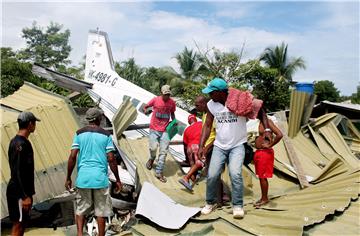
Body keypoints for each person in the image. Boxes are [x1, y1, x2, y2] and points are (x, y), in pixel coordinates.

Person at [198, 77, 271, 219]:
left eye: (212, 92)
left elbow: (261, 108)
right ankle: (210, 203)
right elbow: (207, 125)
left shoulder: (240, 100)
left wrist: (267, 129)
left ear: (220, 92)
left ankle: (237, 206)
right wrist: (202, 144)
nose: (209, 95)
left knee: (235, 174)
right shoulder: (211, 105)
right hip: (219, 145)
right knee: (212, 175)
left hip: (237, 145)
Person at [65, 108, 122, 236]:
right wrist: (117, 179)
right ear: (99, 119)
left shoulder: (79, 134)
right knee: (100, 212)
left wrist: (68, 177)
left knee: (81, 210)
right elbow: (111, 159)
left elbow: (72, 156)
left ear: (88, 119)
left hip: (83, 179)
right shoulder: (106, 135)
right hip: (100, 179)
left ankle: (80, 234)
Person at [6, 111, 40, 236]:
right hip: (19, 193)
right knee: (18, 225)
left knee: (22, 225)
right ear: (30, 124)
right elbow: (17, 171)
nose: (35, 126)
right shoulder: (20, 144)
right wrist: (24, 196)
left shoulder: (20, 142)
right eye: (34, 123)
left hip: (22, 192)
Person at [143, 85, 176, 183]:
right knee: (153, 148)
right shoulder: (155, 100)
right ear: (161, 93)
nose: (167, 96)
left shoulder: (172, 103)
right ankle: (152, 158)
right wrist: (146, 111)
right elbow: (145, 107)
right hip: (154, 128)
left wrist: (174, 122)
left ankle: (159, 172)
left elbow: (173, 113)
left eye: (168, 94)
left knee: (163, 152)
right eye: (165, 94)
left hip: (165, 130)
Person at [253, 118, 282, 208]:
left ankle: (265, 198)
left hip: (265, 152)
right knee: (261, 176)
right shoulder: (257, 121)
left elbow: (279, 135)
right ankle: (263, 197)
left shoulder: (268, 122)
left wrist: (270, 145)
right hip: (259, 152)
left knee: (263, 177)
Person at [178, 114, 202, 190]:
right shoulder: (201, 123)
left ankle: (193, 184)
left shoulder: (186, 130)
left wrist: (186, 159)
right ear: (196, 119)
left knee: (192, 166)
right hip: (197, 146)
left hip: (189, 148)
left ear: (189, 122)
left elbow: (184, 146)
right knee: (200, 163)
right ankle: (186, 178)